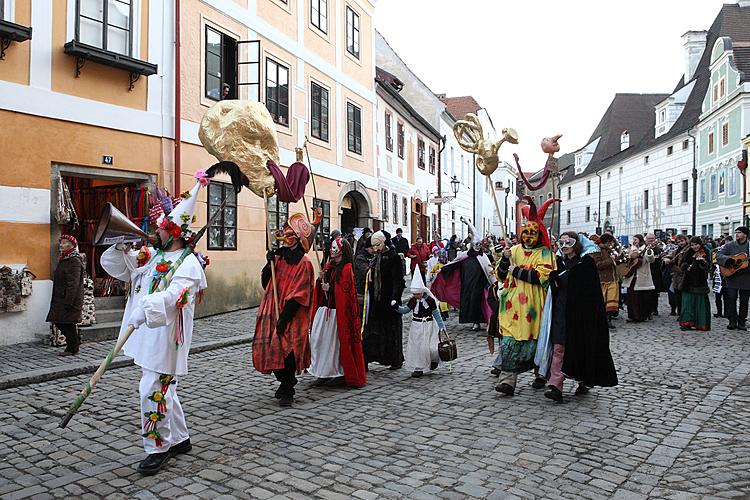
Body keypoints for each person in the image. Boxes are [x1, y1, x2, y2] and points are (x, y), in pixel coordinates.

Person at [100, 176, 209, 476]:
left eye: (161, 227)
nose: (155, 231)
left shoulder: (188, 265)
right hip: (147, 333)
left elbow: (174, 299)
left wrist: (143, 310)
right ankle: (181, 439)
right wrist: (120, 250)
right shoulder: (154, 255)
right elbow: (120, 269)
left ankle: (157, 448)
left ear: (174, 232)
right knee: (165, 388)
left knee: (152, 389)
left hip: (166, 338)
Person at [253, 210, 319, 407]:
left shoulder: (304, 263)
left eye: (290, 235)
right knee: (271, 347)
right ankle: (283, 381)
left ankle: (288, 387)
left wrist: (285, 317)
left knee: (288, 350)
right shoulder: (279, 258)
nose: (285, 238)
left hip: (292, 314)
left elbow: (301, 295)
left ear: (298, 239)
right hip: (273, 308)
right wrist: (269, 264)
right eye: (285, 233)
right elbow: (266, 282)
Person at [492, 197, 557, 396]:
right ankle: (507, 381)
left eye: (533, 232)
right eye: (525, 232)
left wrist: (517, 271)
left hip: (535, 307)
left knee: (536, 340)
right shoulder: (513, 251)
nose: (529, 236)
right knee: (510, 341)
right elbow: (501, 275)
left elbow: (542, 277)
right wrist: (504, 260)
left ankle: (540, 373)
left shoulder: (545, 253)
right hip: (512, 306)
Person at [544, 232, 618, 403]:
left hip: (581, 314)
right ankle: (556, 385)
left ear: (576, 244)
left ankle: (583, 380)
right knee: (559, 347)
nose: (564, 246)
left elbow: (590, 293)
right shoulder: (558, 263)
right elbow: (556, 289)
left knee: (580, 347)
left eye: (568, 242)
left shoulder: (586, 263)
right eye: (561, 243)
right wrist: (554, 280)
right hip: (562, 311)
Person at [309, 237, 366, 388]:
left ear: (342, 250)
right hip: (325, 311)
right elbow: (322, 286)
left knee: (334, 346)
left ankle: (338, 372)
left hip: (337, 314)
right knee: (318, 342)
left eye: (335, 248)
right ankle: (322, 372)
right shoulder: (329, 266)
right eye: (331, 248)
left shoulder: (347, 269)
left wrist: (331, 289)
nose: (331, 251)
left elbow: (346, 293)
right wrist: (320, 280)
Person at [431, 220, 493, 332]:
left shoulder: (483, 257)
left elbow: (489, 269)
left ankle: (479, 322)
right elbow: (454, 264)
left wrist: (493, 281)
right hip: (467, 284)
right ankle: (475, 322)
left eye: (479, 245)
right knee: (470, 303)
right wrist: (442, 270)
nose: (478, 247)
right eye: (476, 245)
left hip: (479, 284)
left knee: (480, 303)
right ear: (472, 245)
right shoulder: (465, 255)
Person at [361, 231, 406, 370]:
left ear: (383, 242)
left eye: (377, 245)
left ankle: (395, 359)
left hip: (390, 301)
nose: (375, 249)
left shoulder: (394, 258)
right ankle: (374, 357)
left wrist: (394, 298)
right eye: (373, 246)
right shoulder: (375, 259)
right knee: (375, 331)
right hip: (377, 301)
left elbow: (398, 281)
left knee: (392, 331)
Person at [397, 271, 444, 378]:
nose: (416, 296)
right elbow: (405, 310)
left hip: (428, 325)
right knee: (417, 347)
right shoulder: (413, 301)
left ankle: (433, 360)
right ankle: (418, 367)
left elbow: (436, 313)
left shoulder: (430, 301)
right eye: (414, 294)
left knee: (430, 346)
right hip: (416, 326)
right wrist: (397, 308)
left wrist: (441, 326)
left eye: (417, 294)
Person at [46, 234, 85, 356]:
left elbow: (73, 283)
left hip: (69, 298)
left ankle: (72, 348)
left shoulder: (74, 260)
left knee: (67, 322)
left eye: (64, 243)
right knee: (60, 321)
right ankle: (74, 343)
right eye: (61, 242)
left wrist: (69, 300)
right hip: (61, 296)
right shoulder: (65, 258)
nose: (61, 245)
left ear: (72, 245)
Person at [716, 227, 750, 330]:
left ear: (745, 234)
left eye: (739, 232)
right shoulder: (730, 245)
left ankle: (742, 322)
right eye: (736, 232)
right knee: (731, 298)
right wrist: (729, 260)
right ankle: (732, 320)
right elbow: (718, 255)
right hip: (732, 276)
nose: (737, 234)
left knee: (744, 301)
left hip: (747, 276)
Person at [678, 237, 711, 331]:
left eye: (696, 244)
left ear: (700, 244)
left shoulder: (705, 252)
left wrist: (702, 262)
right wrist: (687, 267)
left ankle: (701, 323)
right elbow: (682, 263)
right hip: (688, 281)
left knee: (700, 304)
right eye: (692, 245)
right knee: (687, 303)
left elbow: (707, 267)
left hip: (700, 281)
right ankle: (686, 323)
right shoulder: (688, 252)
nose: (694, 247)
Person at [623, 234, 655, 323]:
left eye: (636, 239)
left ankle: (641, 316)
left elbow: (651, 260)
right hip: (631, 276)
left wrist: (648, 251)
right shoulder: (631, 249)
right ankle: (631, 316)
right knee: (631, 297)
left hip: (642, 276)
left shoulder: (645, 249)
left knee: (640, 297)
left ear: (640, 240)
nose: (634, 241)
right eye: (633, 239)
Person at [590, 233, 619, 329]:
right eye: (610, 243)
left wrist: (619, 258)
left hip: (613, 278)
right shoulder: (597, 251)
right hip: (603, 280)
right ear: (606, 242)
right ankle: (601, 321)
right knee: (603, 301)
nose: (612, 245)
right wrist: (611, 260)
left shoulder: (609, 250)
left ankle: (608, 320)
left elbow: (615, 262)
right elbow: (598, 264)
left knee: (612, 302)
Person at [663, 234, 689, 316]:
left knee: (685, 297)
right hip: (676, 277)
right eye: (678, 242)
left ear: (685, 240)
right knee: (677, 296)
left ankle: (685, 314)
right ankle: (680, 312)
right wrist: (666, 259)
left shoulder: (689, 249)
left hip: (686, 276)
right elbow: (668, 256)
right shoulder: (676, 251)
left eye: (682, 241)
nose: (681, 243)